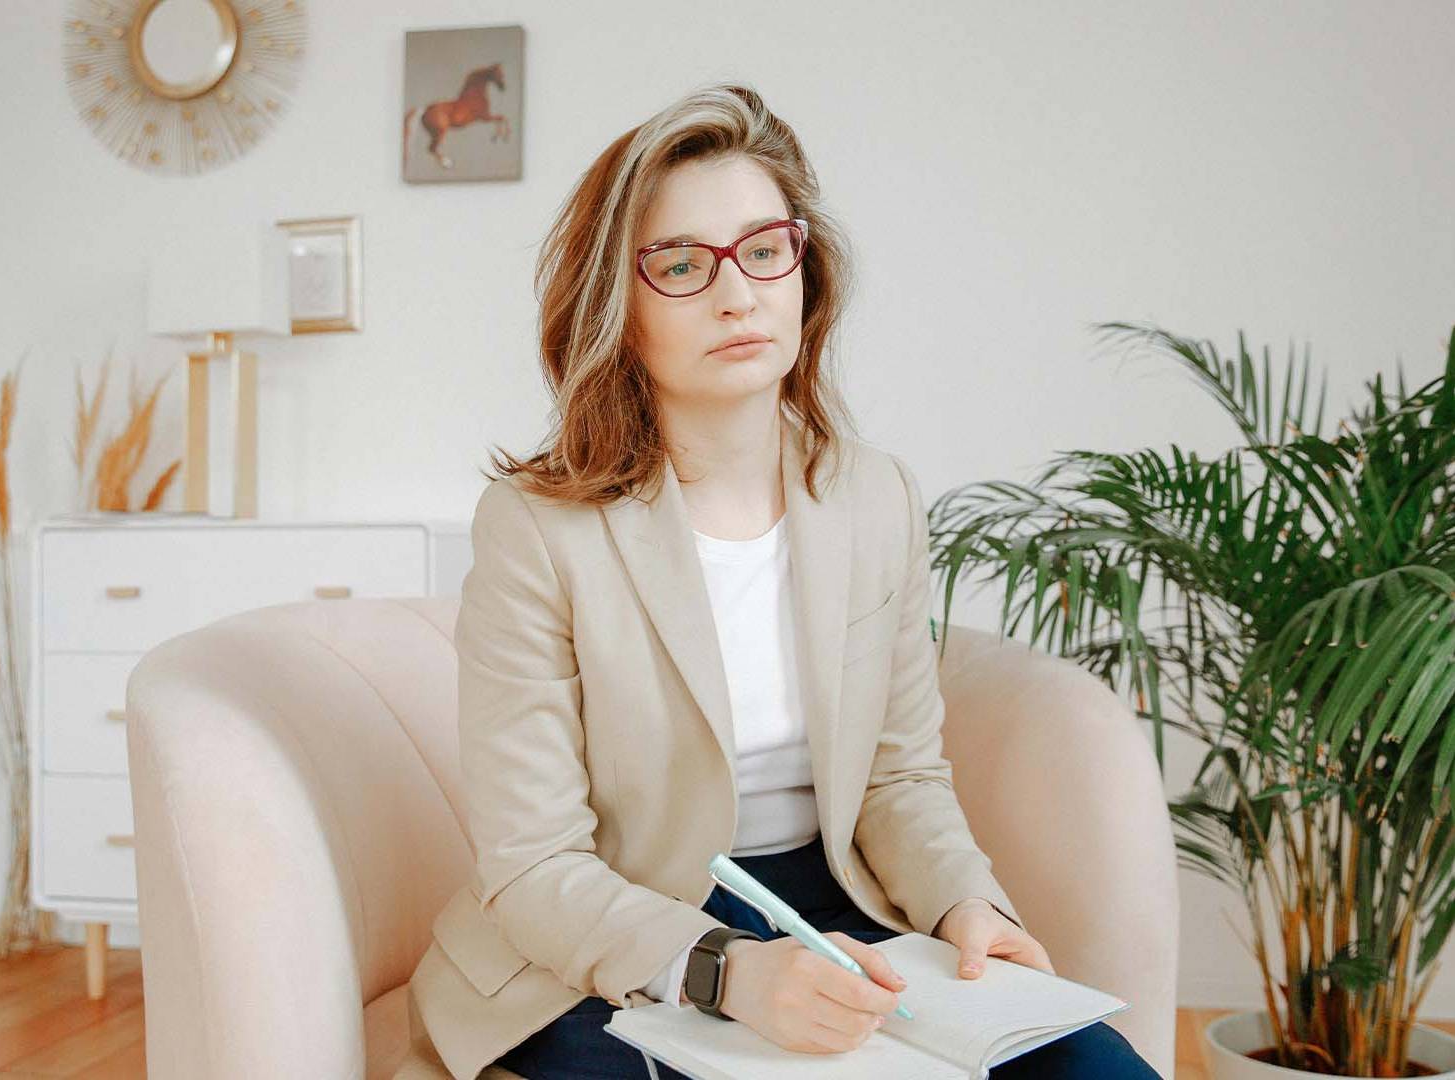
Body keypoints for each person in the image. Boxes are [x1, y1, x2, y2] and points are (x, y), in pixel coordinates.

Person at [395, 83, 1162, 1080]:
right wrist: (729, 973)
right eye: (679, 263)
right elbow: (536, 864)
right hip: (606, 939)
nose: (736, 291)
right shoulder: (538, 527)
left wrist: (969, 907)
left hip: (836, 905)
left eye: (765, 249)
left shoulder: (875, 495)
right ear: (617, 308)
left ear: (807, 271)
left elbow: (900, 777)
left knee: (1098, 1072)